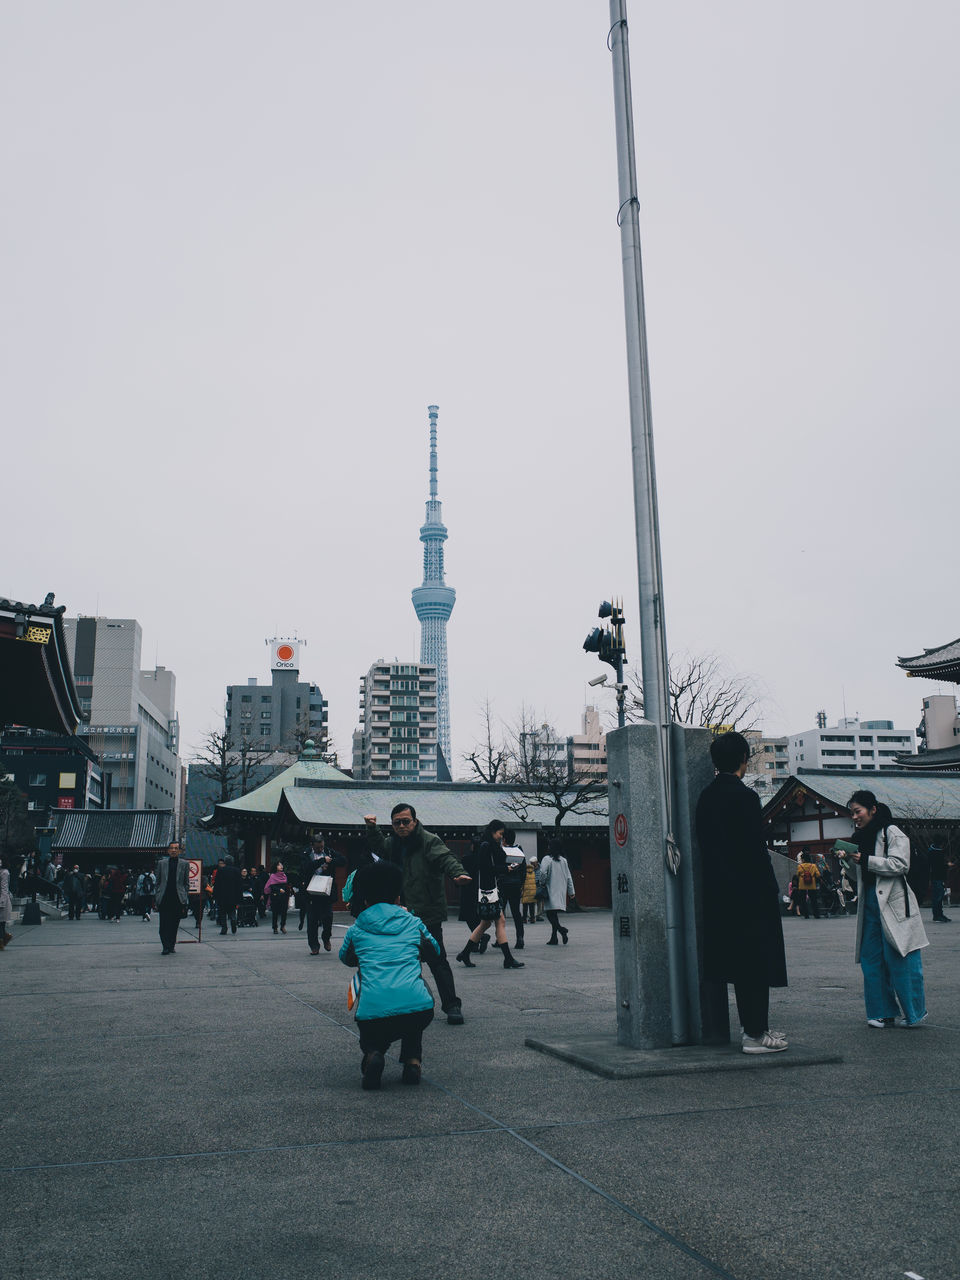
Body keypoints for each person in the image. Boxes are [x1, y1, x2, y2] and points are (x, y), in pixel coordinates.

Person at [695, 731, 788, 1054]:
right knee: (755, 964)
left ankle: (754, 1029)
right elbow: (753, 849)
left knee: (730, 964)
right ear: (743, 760)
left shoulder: (706, 797)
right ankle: (754, 1033)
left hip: (718, 893)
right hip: (749, 892)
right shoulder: (746, 798)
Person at [364, 804, 472, 1026]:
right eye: (397, 822)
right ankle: (402, 1005)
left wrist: (458, 873)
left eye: (406, 821)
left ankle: (452, 1005)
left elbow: (446, 858)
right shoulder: (393, 843)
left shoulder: (429, 841)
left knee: (436, 959)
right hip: (399, 913)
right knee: (400, 961)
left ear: (414, 821)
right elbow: (380, 847)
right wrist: (372, 828)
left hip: (426, 910)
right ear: (392, 825)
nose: (402, 826)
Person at [340, 860, 440, 1090]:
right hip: (418, 1009)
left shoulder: (357, 929)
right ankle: (412, 1062)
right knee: (413, 996)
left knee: (372, 1025)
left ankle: (373, 1054)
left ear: (365, 900)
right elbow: (434, 950)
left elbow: (346, 958)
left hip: (373, 1014)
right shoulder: (414, 923)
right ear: (397, 898)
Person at [840, 790, 928, 1028]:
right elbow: (857, 875)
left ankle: (914, 1013)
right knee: (872, 960)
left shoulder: (891, 832)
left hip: (893, 902)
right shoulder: (859, 838)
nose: (855, 817)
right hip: (869, 900)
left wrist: (865, 860)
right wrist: (847, 860)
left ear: (873, 809)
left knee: (901, 958)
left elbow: (900, 864)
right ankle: (881, 1012)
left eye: (858, 811)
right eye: (852, 813)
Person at [455, 821, 524, 970]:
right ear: (493, 831)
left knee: (485, 924)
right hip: (489, 890)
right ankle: (508, 959)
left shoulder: (488, 844)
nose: (501, 836)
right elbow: (486, 869)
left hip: (488, 890)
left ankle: (465, 953)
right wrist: (506, 869)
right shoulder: (487, 846)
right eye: (499, 833)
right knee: (500, 921)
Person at [300, 836, 346, 955]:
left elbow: (343, 861)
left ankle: (326, 937)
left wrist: (330, 861)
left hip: (326, 889)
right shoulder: (306, 853)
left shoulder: (329, 852)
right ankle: (314, 945)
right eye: (318, 847)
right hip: (311, 890)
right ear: (312, 845)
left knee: (327, 918)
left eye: (322, 846)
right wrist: (321, 861)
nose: (320, 849)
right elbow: (305, 868)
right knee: (312, 920)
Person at [537, 842, 575, 945]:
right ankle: (554, 938)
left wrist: (542, 883)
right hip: (561, 890)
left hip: (550, 889)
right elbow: (568, 877)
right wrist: (571, 891)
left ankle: (561, 929)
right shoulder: (564, 861)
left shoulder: (547, 859)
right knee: (554, 914)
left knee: (550, 914)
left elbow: (543, 873)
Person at [155, 842, 189, 956]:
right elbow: (158, 881)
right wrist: (158, 895)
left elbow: (186, 883)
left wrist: (184, 895)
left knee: (174, 924)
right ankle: (165, 946)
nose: (174, 850)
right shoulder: (161, 863)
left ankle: (171, 945)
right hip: (164, 897)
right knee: (163, 924)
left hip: (178, 898)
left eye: (176, 848)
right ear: (168, 850)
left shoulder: (184, 864)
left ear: (179, 851)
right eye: (171, 848)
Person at [498, 829, 527, 950]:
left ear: (504, 839)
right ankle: (520, 937)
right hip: (516, 884)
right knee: (516, 913)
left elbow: (498, 868)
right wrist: (521, 884)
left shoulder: (501, 851)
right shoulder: (519, 851)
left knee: (500, 913)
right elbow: (524, 869)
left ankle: (500, 938)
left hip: (504, 885)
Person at [213, 854, 243, 935]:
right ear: (232, 862)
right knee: (232, 910)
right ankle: (233, 921)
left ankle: (224, 928)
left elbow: (217, 884)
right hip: (233, 895)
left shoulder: (220, 870)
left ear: (225, 862)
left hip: (222, 895)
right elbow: (240, 884)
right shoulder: (237, 870)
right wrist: (240, 896)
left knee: (222, 912)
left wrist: (215, 895)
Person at [928, 840, 951, 923]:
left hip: (936, 877)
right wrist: (947, 865)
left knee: (938, 897)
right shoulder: (937, 854)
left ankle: (938, 914)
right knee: (938, 897)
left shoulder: (932, 852)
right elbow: (939, 866)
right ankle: (937, 915)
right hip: (938, 877)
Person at [263, 862, 290, 934]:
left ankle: (282, 926)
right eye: (279, 865)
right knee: (275, 913)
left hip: (284, 896)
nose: (281, 866)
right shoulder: (272, 876)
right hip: (275, 896)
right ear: (276, 867)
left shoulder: (284, 875)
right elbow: (272, 886)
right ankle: (275, 927)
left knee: (284, 912)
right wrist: (279, 889)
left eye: (281, 865)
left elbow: (286, 885)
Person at [796, 850, 821, 919]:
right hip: (812, 885)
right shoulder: (813, 866)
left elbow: (797, 875)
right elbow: (818, 875)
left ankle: (806, 915)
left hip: (802, 885)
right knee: (813, 900)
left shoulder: (800, 866)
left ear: (803, 859)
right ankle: (816, 914)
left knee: (803, 900)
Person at [0, 857, 12, 950]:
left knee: (1, 923)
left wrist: (2, 902)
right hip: (2, 899)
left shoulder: (4, 873)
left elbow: (4, 888)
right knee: (1, 923)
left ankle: (2, 942)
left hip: (2, 900)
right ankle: (5, 937)